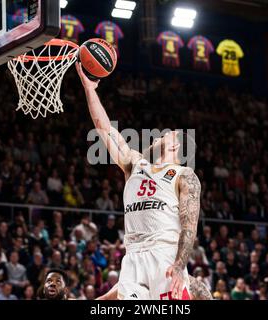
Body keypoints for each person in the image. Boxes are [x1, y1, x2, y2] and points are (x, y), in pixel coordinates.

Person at [76, 62, 201, 300]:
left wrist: (178, 264)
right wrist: (89, 89)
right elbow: (105, 130)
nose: (158, 137)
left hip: (164, 255)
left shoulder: (184, 175)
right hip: (132, 257)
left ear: (175, 145)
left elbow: (189, 225)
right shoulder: (135, 163)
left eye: (165, 135)